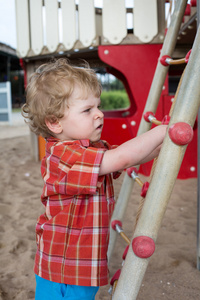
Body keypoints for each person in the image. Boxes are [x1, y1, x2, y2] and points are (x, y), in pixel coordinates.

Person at [22, 58, 167, 300]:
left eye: (97, 106)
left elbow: (129, 159)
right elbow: (120, 158)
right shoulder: (63, 155)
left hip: (83, 261)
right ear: (55, 122)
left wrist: (164, 145)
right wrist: (160, 132)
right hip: (63, 264)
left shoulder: (92, 148)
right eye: (87, 110)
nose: (99, 114)